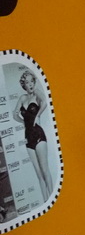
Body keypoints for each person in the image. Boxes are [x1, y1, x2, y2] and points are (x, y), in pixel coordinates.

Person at [13, 70, 53, 201]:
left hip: (38, 134)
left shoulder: (36, 94)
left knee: (45, 170)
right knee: (39, 175)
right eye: (27, 82)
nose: (30, 84)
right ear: (23, 85)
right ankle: (46, 202)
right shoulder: (22, 98)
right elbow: (15, 114)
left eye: (32, 81)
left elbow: (46, 102)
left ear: (34, 82)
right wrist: (23, 122)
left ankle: (53, 199)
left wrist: (37, 115)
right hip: (28, 138)